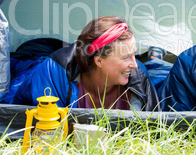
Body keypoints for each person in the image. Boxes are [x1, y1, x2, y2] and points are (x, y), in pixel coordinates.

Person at [12, 16, 160, 111]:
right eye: (126, 57)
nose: (134, 64)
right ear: (99, 60)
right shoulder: (54, 71)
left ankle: (155, 59)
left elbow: (154, 130)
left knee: (159, 72)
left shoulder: (138, 75)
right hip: (35, 52)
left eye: (134, 54)